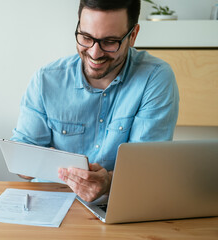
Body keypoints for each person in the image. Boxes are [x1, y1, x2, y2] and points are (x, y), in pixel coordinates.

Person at [10, 0, 179, 202]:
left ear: (132, 35)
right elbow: (21, 163)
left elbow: (146, 169)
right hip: (52, 201)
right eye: (86, 37)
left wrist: (108, 182)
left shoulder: (155, 78)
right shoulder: (47, 79)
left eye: (109, 42)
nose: (94, 53)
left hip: (120, 201)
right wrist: (37, 161)